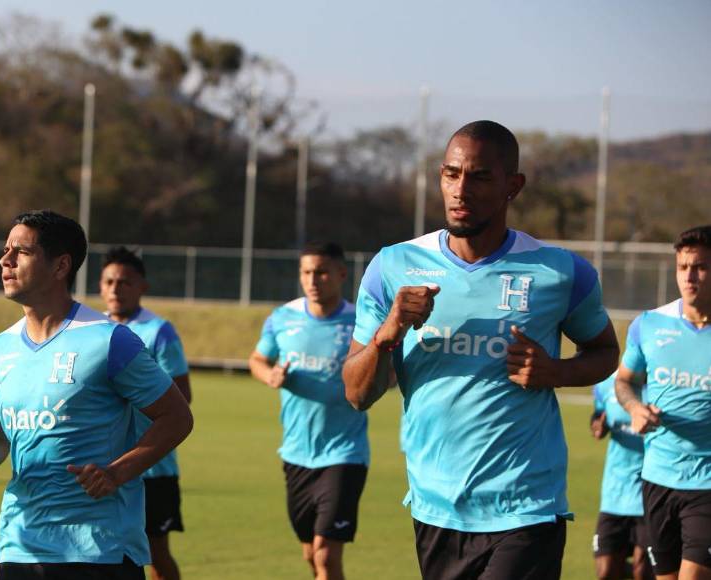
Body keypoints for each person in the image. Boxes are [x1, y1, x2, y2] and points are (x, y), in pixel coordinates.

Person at [342, 120, 620, 580]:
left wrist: (554, 371)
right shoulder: (393, 267)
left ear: (514, 186)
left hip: (527, 506)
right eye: (451, 174)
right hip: (436, 508)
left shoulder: (560, 272)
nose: (461, 189)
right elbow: (355, 393)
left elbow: (605, 351)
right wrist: (386, 333)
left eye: (480, 177)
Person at [0, 210, 193, 580]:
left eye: (21, 252)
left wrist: (117, 473)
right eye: (5, 250)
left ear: (60, 266)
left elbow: (177, 416)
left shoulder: (109, 340)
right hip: (20, 544)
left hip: (98, 550)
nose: (5, 260)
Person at [248, 242, 367, 580]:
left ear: (342, 274)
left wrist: (375, 384)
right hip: (297, 453)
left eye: (322, 271)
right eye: (306, 272)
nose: (313, 279)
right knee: (311, 555)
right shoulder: (282, 318)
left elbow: (384, 370)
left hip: (345, 453)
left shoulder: (361, 320)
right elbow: (257, 359)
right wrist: (270, 375)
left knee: (326, 555)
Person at [616, 225, 711, 580]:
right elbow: (625, 382)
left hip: (707, 482)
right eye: (683, 267)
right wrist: (635, 408)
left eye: (700, 267)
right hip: (657, 478)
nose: (690, 276)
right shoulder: (649, 325)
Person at [99, 246, 192, 580]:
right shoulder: (93, 331)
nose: (115, 289)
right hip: (106, 463)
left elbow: (182, 396)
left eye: (124, 282)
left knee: (155, 553)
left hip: (153, 466)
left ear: (142, 287)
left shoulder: (158, 331)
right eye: (109, 281)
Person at [591, 373, 652, 580]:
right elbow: (599, 414)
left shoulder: (665, 384)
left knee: (642, 572)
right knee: (606, 572)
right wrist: (598, 426)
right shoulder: (606, 383)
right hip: (614, 495)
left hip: (650, 496)